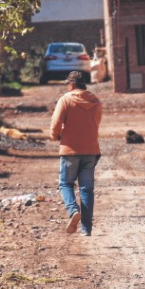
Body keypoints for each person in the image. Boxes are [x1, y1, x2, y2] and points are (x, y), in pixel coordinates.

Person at [49, 70, 103, 236]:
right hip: (91, 150)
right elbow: (96, 122)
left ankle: (73, 211)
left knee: (66, 184)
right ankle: (86, 229)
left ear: (71, 84)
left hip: (70, 150)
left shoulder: (66, 100)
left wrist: (55, 135)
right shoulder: (96, 101)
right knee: (87, 189)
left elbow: (56, 124)